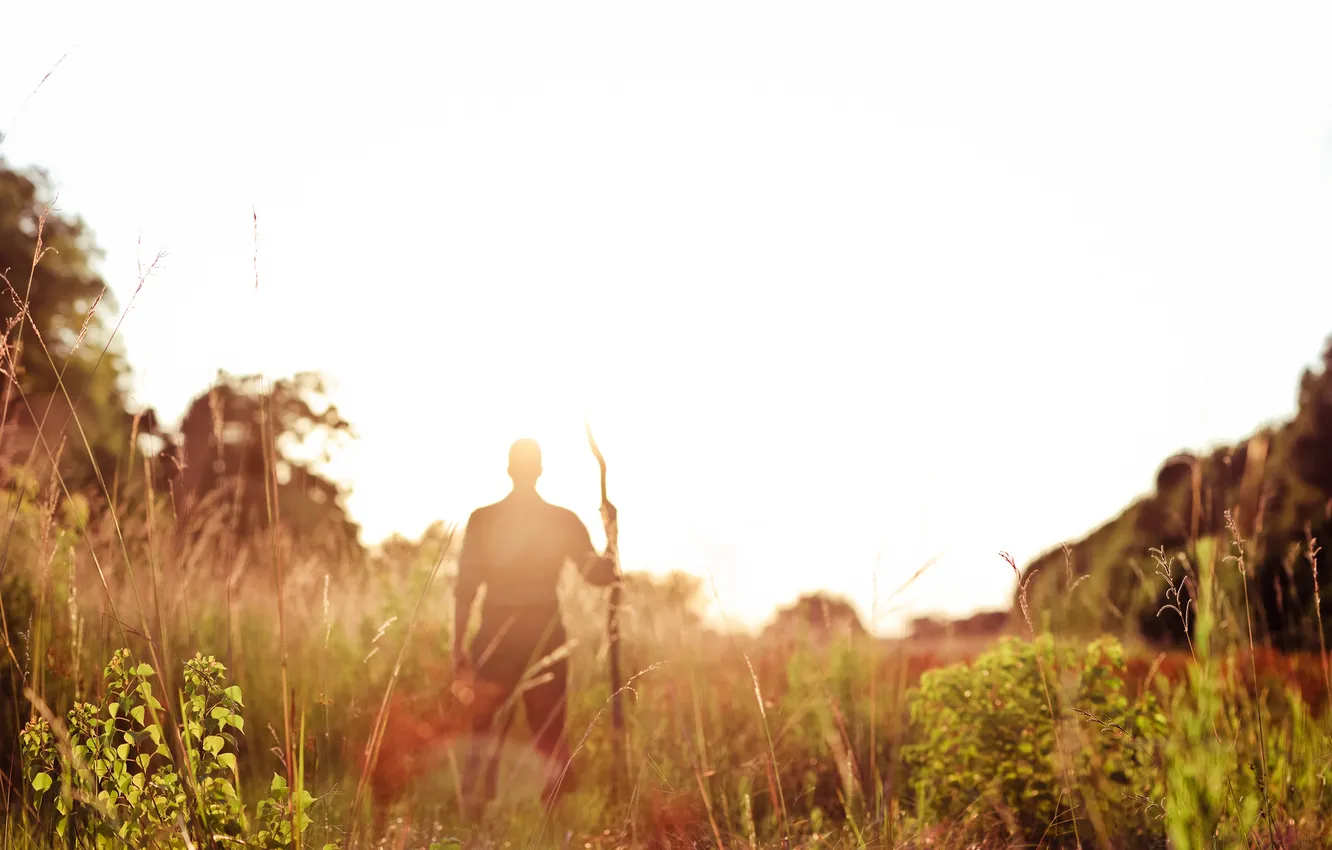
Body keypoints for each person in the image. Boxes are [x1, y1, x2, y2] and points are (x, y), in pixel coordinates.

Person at [452, 437, 618, 817]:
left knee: (487, 727)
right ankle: (549, 815)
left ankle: (477, 813)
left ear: (509, 470)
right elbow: (596, 574)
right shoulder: (560, 520)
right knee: (545, 729)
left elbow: (465, 590)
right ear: (540, 470)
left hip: (498, 635)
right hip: (543, 634)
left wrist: (457, 646)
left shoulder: (484, 519)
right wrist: (611, 551)